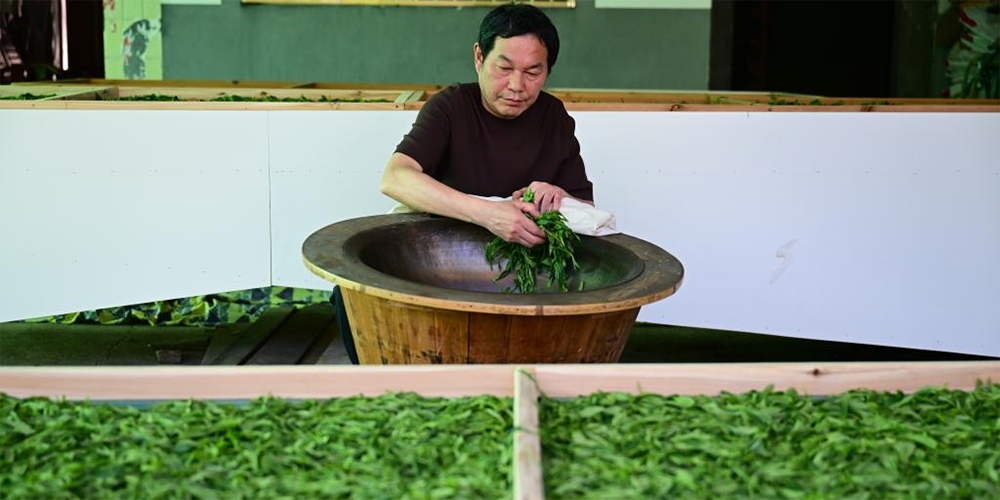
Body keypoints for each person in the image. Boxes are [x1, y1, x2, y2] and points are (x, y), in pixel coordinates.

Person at [334, 3, 594, 364]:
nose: (517, 86)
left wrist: (558, 195)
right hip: (440, 267)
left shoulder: (553, 117)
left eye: (533, 72)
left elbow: (587, 210)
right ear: (479, 57)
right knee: (349, 293)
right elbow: (395, 177)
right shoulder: (451, 107)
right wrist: (488, 214)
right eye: (504, 68)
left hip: (519, 276)